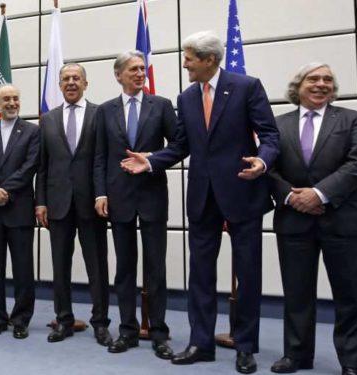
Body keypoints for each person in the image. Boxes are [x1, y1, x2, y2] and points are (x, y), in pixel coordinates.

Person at [121, 30, 279, 374]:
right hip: (202, 198)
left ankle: (245, 347)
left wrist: (263, 162)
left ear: (209, 60)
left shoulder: (246, 86)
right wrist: (149, 161)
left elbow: (269, 135)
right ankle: (201, 343)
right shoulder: (187, 97)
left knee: (248, 274)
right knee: (201, 275)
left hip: (242, 191)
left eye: (189, 57)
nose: (184, 63)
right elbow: (181, 146)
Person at [268, 63, 357, 375]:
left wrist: (318, 194)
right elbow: (268, 168)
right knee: (297, 293)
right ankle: (297, 355)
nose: (321, 84)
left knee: (353, 296)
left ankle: (352, 362)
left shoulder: (353, 120)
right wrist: (291, 196)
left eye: (328, 79)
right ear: (297, 86)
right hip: (294, 221)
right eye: (313, 79)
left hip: (346, 221)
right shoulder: (276, 125)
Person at [92, 51, 177, 357]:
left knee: (156, 268)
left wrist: (152, 161)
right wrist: (100, 194)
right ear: (118, 75)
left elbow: (180, 145)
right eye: (133, 70)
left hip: (153, 196)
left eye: (143, 69)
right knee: (124, 268)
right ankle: (127, 330)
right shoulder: (104, 111)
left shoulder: (162, 106)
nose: (140, 74)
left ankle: (158, 332)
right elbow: (100, 157)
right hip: (119, 198)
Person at [35, 63, 112, 347]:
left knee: (97, 267)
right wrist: (40, 201)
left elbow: (103, 159)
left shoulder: (99, 114)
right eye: (65, 78)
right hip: (57, 204)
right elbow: (42, 167)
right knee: (60, 267)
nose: (70, 82)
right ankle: (63, 320)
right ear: (59, 84)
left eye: (76, 78)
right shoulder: (49, 118)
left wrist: (102, 194)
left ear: (85, 84)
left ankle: (101, 323)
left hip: (92, 203)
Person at [0, 84, 39, 339]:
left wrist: (5, 190)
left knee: (23, 269)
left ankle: (21, 319)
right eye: (6, 99)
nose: (11, 102)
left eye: (15, 98)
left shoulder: (32, 131)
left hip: (19, 209)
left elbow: (30, 166)